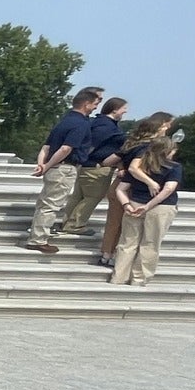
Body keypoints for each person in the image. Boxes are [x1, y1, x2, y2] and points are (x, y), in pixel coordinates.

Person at [21, 86, 103, 254]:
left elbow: (46, 146)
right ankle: (38, 239)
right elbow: (66, 148)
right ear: (86, 104)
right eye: (95, 103)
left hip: (54, 167)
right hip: (64, 167)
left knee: (44, 203)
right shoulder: (81, 124)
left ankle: (37, 235)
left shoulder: (64, 121)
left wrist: (42, 164)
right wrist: (48, 165)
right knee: (50, 205)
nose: (96, 107)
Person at [96, 111, 173, 270]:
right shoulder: (148, 147)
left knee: (113, 223)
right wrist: (150, 182)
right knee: (128, 226)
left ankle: (106, 255)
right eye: (165, 125)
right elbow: (134, 168)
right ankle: (117, 257)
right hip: (131, 188)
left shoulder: (130, 143)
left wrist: (120, 167)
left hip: (117, 186)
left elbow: (107, 161)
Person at [109, 136, 182, 287]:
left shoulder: (140, 167)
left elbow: (120, 189)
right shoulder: (173, 167)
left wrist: (126, 205)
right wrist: (149, 206)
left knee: (127, 242)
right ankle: (139, 279)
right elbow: (169, 188)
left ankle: (119, 276)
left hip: (134, 204)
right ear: (167, 151)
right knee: (150, 244)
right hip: (161, 207)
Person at [61, 94, 128, 238]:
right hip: (96, 167)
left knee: (78, 196)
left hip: (87, 166)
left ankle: (66, 222)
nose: (125, 111)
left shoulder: (98, 122)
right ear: (115, 109)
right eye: (123, 108)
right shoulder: (106, 127)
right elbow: (92, 145)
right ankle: (75, 224)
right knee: (92, 197)